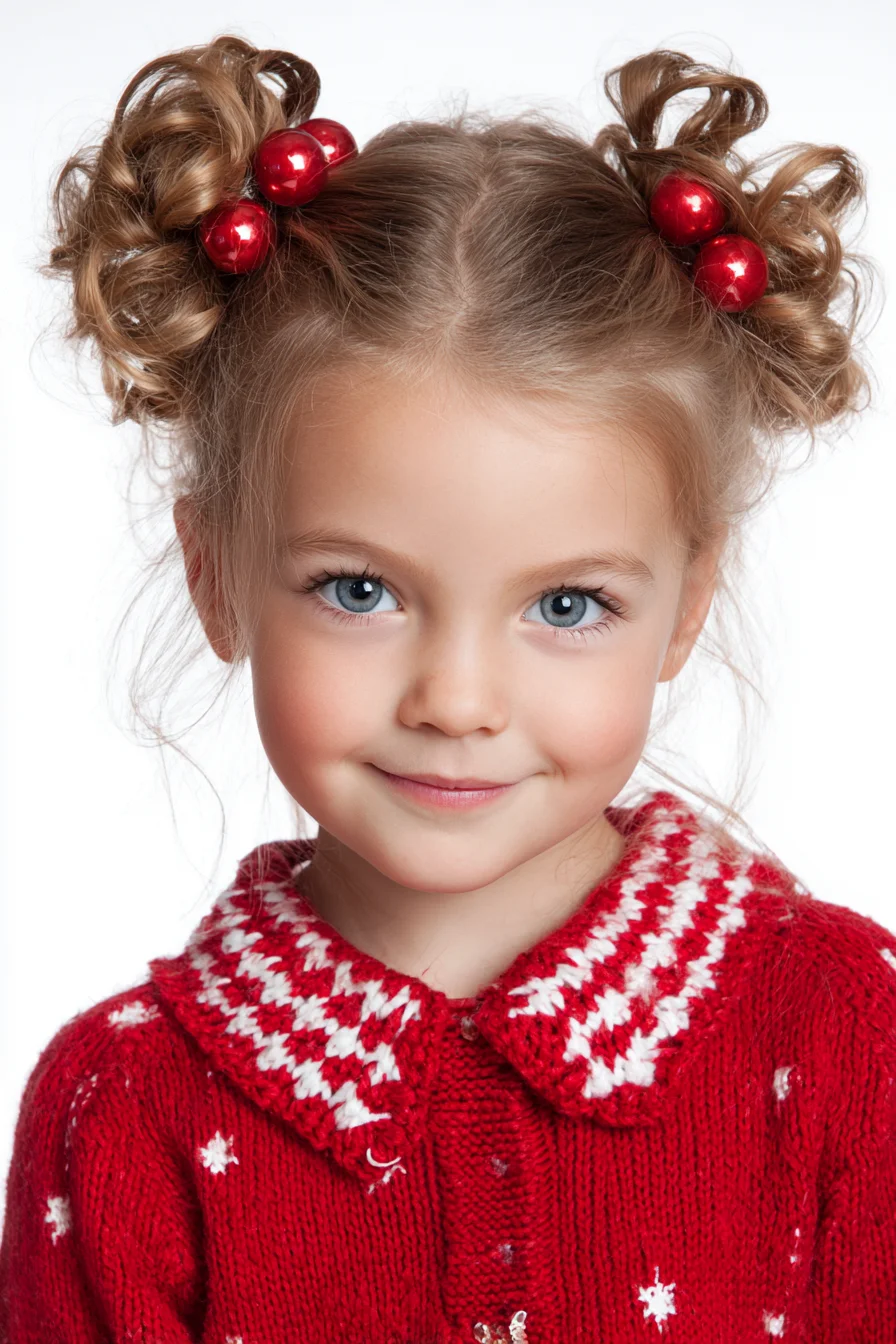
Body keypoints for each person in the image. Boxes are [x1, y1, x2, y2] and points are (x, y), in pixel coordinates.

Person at [0, 32, 893, 1343]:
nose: (458, 699)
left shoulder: (844, 1038)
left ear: (687, 603)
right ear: (216, 575)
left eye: (567, 605)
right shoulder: (124, 1109)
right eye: (358, 591)